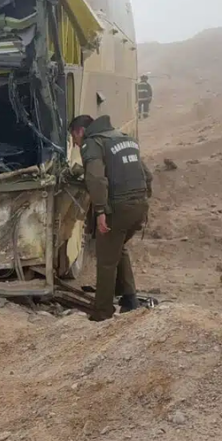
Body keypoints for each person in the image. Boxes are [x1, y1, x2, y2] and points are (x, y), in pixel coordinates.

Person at [70, 114, 153, 322]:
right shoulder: (124, 138)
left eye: (74, 137)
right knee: (117, 246)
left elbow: (96, 179)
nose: (75, 143)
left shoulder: (92, 143)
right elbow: (147, 174)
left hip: (118, 208)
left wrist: (100, 211)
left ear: (80, 131)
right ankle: (129, 299)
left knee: (106, 260)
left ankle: (102, 313)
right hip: (140, 205)